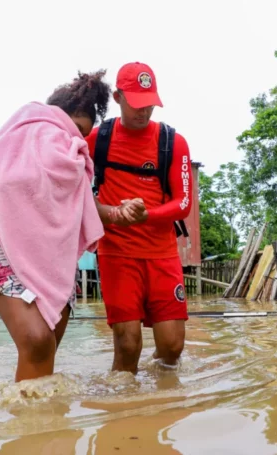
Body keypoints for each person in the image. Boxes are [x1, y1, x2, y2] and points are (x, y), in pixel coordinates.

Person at [0, 70, 144, 383]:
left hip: (54, 260)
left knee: (46, 348)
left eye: (83, 135)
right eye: (75, 129)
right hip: (5, 253)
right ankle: (28, 421)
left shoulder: (74, 164)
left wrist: (119, 212)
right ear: (51, 118)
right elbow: (5, 184)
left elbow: (86, 209)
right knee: (37, 341)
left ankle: (42, 424)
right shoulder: (12, 143)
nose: (76, 140)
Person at [85, 62, 193, 374]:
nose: (143, 112)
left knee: (173, 348)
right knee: (128, 345)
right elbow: (68, 183)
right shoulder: (96, 140)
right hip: (116, 254)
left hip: (162, 254)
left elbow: (183, 203)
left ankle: (162, 400)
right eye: (135, 104)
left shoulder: (173, 143)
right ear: (118, 97)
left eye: (149, 104)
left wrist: (147, 215)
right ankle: (123, 410)